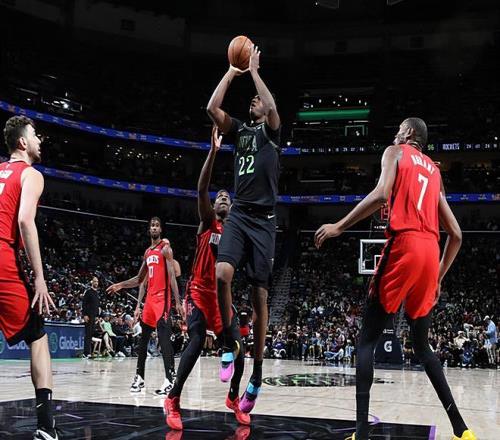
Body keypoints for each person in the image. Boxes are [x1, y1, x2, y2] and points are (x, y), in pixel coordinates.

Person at [315, 118, 476, 440]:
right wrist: (438, 277)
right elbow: (456, 234)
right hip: (431, 253)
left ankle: (361, 434)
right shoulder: (434, 172)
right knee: (422, 346)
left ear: (410, 134)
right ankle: (462, 430)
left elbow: (380, 194)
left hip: (405, 244)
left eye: (399, 129)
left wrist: (339, 226)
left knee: (366, 341)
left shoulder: (395, 152)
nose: (395, 134)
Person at [207, 43, 281, 413]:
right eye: (252, 98)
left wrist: (254, 71)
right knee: (222, 274)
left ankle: (258, 371)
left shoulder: (272, 131)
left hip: (264, 221)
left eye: (258, 99)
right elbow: (212, 108)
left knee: (258, 298)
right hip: (239, 214)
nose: (254, 99)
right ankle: (228, 341)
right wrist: (232, 72)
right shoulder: (240, 130)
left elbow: (272, 107)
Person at [165, 126, 249, 430]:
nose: (223, 197)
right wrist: (213, 152)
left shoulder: (236, 232)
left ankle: (233, 397)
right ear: (213, 206)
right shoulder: (207, 222)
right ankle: (173, 399)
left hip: (222, 297)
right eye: (219, 197)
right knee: (198, 339)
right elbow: (202, 189)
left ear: (233, 207)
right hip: (199, 292)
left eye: (227, 197)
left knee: (239, 352)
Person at [0, 116, 58, 439]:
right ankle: (46, 427)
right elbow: (24, 220)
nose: (40, 140)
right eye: (35, 135)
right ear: (22, 142)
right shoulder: (31, 174)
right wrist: (39, 277)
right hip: (3, 256)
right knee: (37, 334)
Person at [106, 217, 182, 395]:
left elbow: (172, 275)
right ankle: (139, 378)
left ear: (160, 229)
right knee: (143, 340)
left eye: (157, 225)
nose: (154, 228)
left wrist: (178, 301)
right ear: (149, 230)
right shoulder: (148, 252)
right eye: (152, 226)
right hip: (150, 300)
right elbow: (140, 279)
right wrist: (121, 285)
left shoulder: (165, 248)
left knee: (164, 339)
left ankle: (170, 379)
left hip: (162, 299)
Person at [82, 276, 100, 358]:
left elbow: (96, 306)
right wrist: (85, 315)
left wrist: (97, 316)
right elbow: (84, 304)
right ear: (91, 282)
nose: (96, 283)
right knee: (88, 335)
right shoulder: (88, 292)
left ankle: (89, 352)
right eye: (95, 281)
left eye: (97, 281)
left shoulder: (96, 293)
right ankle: (86, 353)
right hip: (88, 316)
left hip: (94, 316)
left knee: (91, 335)